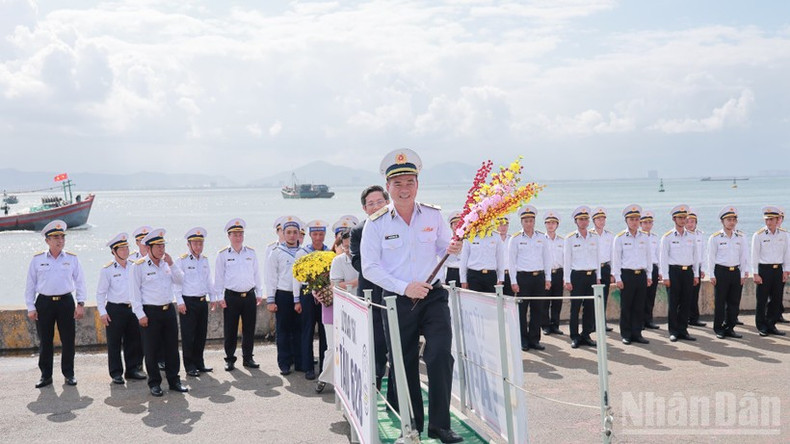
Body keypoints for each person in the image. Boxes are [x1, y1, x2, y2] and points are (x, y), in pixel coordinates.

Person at [361, 148, 463, 443]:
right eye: (398, 184)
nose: (404, 189)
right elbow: (370, 267)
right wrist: (404, 287)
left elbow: (448, 251)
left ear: (417, 185)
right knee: (403, 362)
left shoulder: (433, 215)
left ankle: (441, 425)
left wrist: (456, 249)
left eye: (410, 183)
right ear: (388, 187)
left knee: (440, 354)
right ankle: (413, 423)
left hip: (433, 297)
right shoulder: (376, 223)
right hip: (397, 301)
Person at [25, 220, 86, 388]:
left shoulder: (72, 258)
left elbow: (80, 282)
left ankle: (69, 373)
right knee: (45, 340)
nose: (60, 240)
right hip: (44, 303)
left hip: (66, 302)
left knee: (68, 340)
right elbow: (30, 284)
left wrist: (80, 303)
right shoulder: (37, 259)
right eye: (56, 237)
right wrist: (30, 307)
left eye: (62, 237)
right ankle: (46, 375)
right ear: (47, 241)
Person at [349, 185, 395, 405]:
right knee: (375, 341)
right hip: (372, 294)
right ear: (364, 208)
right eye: (371, 204)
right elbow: (357, 261)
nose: (376, 206)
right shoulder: (358, 230)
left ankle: (395, 395)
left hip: (398, 293)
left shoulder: (400, 224)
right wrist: (381, 271)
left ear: (388, 202)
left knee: (397, 342)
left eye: (380, 202)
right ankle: (373, 388)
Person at [130, 228, 189, 396]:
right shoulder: (139, 266)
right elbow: (134, 293)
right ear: (148, 248)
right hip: (150, 312)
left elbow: (181, 280)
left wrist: (172, 263)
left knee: (171, 348)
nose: (162, 250)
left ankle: (174, 380)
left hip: (168, 310)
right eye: (158, 247)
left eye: (163, 246)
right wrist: (140, 314)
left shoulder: (166, 264)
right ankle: (154, 383)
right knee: (151, 350)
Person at [96, 232, 145, 384]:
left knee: (134, 341)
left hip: (132, 308)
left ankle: (132, 369)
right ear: (114, 251)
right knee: (114, 342)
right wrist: (102, 312)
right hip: (115, 309)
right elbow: (100, 293)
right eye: (121, 249)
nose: (125, 251)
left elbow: (141, 288)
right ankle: (116, 373)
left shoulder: (134, 266)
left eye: (126, 248)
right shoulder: (107, 269)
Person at [214, 218, 263, 371]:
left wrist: (259, 292)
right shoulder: (222, 254)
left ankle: (248, 358)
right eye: (235, 234)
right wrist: (219, 297)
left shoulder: (251, 252)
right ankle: (229, 359)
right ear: (229, 236)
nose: (238, 237)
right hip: (231, 297)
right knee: (230, 329)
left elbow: (256, 274)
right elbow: (219, 277)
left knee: (249, 329)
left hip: (249, 295)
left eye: (240, 234)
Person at [317, 230, 358, 393]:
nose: (348, 249)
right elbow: (335, 286)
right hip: (336, 309)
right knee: (333, 347)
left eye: (351, 246)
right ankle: (324, 378)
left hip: (359, 309)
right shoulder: (337, 261)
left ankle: (347, 381)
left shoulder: (364, 259)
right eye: (345, 246)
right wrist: (356, 282)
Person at [508, 205, 551, 351]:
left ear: (534, 221)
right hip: (523, 278)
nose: (529, 223)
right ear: (521, 222)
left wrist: (548, 278)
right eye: (526, 221)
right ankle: (523, 340)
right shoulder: (515, 239)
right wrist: (513, 281)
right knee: (522, 310)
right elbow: (511, 262)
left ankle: (534, 340)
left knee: (537, 309)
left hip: (538, 278)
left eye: (531, 220)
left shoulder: (542, 237)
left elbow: (547, 259)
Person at [266, 216, 304, 375]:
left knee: (299, 330)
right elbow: (271, 277)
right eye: (288, 232)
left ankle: (298, 360)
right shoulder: (276, 252)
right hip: (283, 295)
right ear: (283, 233)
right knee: (283, 330)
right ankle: (284, 362)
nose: (292, 235)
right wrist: (270, 299)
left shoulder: (304, 251)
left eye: (295, 232)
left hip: (300, 296)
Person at [293, 219, 330, 381]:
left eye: (321, 234)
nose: (318, 237)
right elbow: (296, 277)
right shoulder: (302, 253)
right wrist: (296, 300)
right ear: (309, 235)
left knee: (324, 332)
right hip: (307, 294)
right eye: (315, 234)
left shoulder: (329, 252)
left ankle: (324, 367)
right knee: (307, 331)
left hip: (324, 294)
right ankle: (308, 367)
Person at [175, 227, 214, 377]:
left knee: (201, 334)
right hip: (188, 302)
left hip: (202, 301)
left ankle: (199, 362)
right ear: (189, 244)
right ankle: (189, 365)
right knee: (188, 335)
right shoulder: (182, 260)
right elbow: (177, 283)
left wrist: (214, 297)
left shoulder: (204, 260)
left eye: (200, 243)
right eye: (195, 244)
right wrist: (179, 301)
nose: (198, 246)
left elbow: (209, 280)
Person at [611, 205, 652, 345]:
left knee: (639, 306)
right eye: (631, 219)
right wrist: (617, 277)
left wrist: (649, 275)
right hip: (627, 275)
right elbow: (616, 259)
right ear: (626, 221)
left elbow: (648, 257)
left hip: (641, 274)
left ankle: (637, 333)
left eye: (636, 219)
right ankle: (626, 334)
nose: (634, 222)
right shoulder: (620, 238)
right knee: (626, 306)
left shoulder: (645, 237)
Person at [708, 206, 749, 339]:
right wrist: (712, 274)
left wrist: (743, 273)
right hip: (721, 272)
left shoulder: (740, 237)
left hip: (735, 272)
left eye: (733, 220)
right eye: (728, 220)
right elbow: (711, 257)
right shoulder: (715, 238)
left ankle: (730, 327)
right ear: (722, 221)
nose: (731, 222)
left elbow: (744, 256)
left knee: (734, 302)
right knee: (720, 302)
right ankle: (719, 328)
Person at [660, 205, 700, 342]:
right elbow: (663, 258)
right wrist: (665, 276)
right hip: (674, 272)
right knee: (673, 302)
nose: (683, 220)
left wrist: (696, 274)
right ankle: (673, 331)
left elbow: (695, 256)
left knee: (686, 302)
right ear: (674, 219)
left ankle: (683, 330)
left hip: (688, 271)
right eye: (680, 218)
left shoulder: (691, 236)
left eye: (685, 218)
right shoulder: (668, 237)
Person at [564, 206, 601, 349]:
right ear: (576, 221)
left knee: (590, 307)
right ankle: (574, 336)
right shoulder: (570, 238)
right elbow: (567, 260)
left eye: (586, 219)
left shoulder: (594, 237)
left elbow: (597, 258)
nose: (584, 222)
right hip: (577, 276)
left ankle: (586, 334)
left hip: (591, 275)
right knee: (575, 307)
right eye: (581, 219)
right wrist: (567, 280)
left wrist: (598, 277)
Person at [751, 206, 789, 336]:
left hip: (777, 269)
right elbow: (754, 255)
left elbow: (786, 254)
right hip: (764, 269)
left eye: (771, 219)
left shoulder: (784, 234)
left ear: (778, 219)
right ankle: (761, 325)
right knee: (761, 299)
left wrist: (786, 270)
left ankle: (771, 324)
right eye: (767, 220)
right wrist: (755, 273)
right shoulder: (759, 235)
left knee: (776, 299)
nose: (769, 222)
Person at [459, 225, 505, 293]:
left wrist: (501, 278)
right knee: (474, 301)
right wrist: (463, 280)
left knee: (491, 302)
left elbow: (500, 258)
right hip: (474, 275)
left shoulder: (496, 236)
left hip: (490, 275)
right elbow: (463, 260)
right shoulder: (469, 236)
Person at [591, 207, 614, 332]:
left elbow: (612, 254)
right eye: (598, 219)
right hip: (593, 270)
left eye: (603, 219)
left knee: (604, 297)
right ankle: (592, 324)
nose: (601, 221)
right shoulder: (589, 234)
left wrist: (613, 272)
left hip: (605, 268)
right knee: (592, 299)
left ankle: (602, 323)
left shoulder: (609, 235)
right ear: (594, 221)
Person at [542, 210, 565, 335]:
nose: (551, 225)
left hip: (559, 273)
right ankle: (545, 325)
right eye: (548, 223)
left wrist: (565, 277)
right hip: (546, 274)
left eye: (553, 223)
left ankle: (555, 325)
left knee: (557, 300)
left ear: (557, 225)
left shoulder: (562, 240)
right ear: (545, 224)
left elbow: (566, 259)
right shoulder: (541, 239)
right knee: (545, 300)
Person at [640, 210, 661, 330]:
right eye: (645, 222)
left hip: (653, 268)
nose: (647, 225)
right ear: (641, 224)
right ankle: (640, 321)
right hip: (642, 269)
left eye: (650, 222)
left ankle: (648, 320)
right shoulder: (638, 237)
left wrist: (661, 271)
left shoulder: (655, 238)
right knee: (641, 296)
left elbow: (658, 255)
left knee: (650, 296)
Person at [686, 208, 707, 327]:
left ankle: (694, 318)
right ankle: (684, 318)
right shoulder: (683, 235)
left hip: (697, 267)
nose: (690, 224)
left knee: (695, 294)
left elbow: (703, 253)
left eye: (692, 222)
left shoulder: (700, 235)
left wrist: (702, 268)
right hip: (687, 267)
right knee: (685, 294)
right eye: (688, 221)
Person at [496, 217, 515, 296]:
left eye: (505, 225)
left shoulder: (513, 239)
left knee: (510, 302)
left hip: (509, 276)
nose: (503, 227)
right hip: (496, 275)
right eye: (501, 225)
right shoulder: (492, 239)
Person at [444, 211, 463, 285]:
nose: (457, 226)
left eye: (459, 224)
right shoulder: (446, 240)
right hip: (451, 273)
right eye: (455, 224)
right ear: (451, 226)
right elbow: (441, 260)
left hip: (466, 273)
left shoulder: (469, 241)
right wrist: (442, 280)